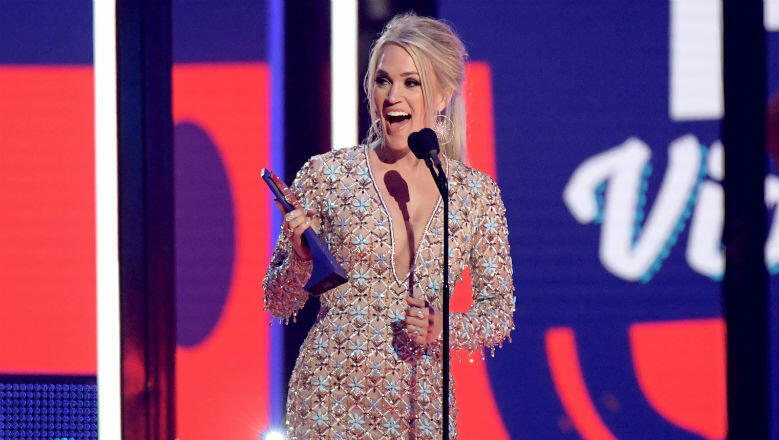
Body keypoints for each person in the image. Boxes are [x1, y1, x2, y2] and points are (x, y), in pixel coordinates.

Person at [263, 12, 515, 439]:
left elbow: (499, 313)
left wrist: (442, 327)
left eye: (411, 83)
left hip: (421, 406)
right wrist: (303, 261)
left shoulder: (475, 194)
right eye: (383, 81)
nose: (393, 96)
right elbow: (277, 301)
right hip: (329, 404)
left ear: (443, 96)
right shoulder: (329, 176)